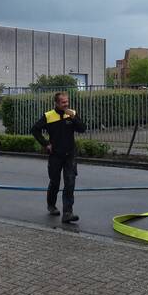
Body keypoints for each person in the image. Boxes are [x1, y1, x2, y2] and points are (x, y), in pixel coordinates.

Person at [31, 92, 86, 223]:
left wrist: (73, 118)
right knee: (55, 182)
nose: (66, 104)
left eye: (67, 101)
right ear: (56, 103)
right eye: (63, 102)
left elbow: (82, 129)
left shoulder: (72, 113)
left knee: (70, 182)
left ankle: (67, 213)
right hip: (55, 155)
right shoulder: (48, 116)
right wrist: (46, 144)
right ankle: (51, 205)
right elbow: (35, 130)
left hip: (70, 154)